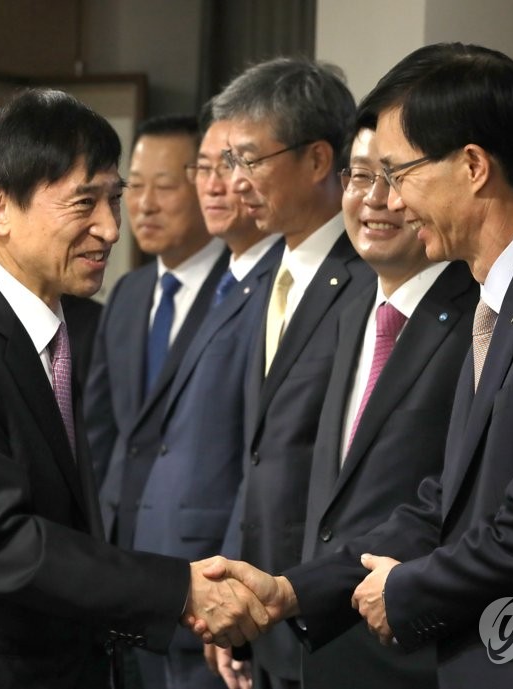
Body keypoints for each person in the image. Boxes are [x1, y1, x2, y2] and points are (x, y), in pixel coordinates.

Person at [199, 43, 513, 688]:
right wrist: (292, 590)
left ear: (474, 167)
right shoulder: (503, 295)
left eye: (400, 173)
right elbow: (444, 502)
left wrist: (405, 590)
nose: (392, 200)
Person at [0, 88, 268, 689]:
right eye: (84, 202)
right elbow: (3, 544)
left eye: (113, 199)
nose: (110, 228)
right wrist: (177, 588)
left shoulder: (51, 326)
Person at [290, 109, 476, 689]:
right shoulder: (347, 310)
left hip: (416, 652)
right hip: (325, 642)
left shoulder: (480, 317)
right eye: (359, 176)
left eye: (393, 177)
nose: (374, 199)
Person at [212, 57, 374, 689]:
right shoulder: (266, 277)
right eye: (230, 161)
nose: (235, 181)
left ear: (317, 160)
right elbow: (256, 459)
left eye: (250, 160)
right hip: (264, 618)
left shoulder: (370, 280)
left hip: (330, 618)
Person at [130, 108, 283, 689]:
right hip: (154, 577)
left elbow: (259, 453)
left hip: (221, 580)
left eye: (235, 164)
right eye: (204, 169)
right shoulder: (220, 283)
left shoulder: (274, 285)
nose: (218, 184)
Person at [85, 115, 228, 553]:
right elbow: (99, 429)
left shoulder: (242, 289)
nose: (144, 205)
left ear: (208, 185)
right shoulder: (128, 292)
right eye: (134, 187)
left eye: (164, 187)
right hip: (115, 536)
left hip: (199, 546)